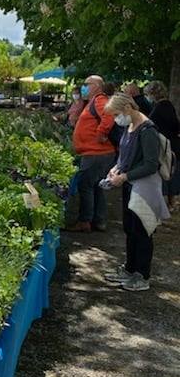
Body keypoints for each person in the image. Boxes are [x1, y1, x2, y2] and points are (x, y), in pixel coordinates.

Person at [103, 93, 170, 291]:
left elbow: (150, 165)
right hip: (131, 185)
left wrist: (123, 176)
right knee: (130, 229)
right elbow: (125, 154)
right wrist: (116, 168)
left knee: (142, 232)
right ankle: (130, 269)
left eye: (116, 114)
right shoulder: (129, 126)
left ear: (127, 108)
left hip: (144, 189)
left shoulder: (147, 129)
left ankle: (142, 276)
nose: (116, 119)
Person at [68, 75, 117, 232]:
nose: (83, 87)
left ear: (96, 86)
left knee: (85, 185)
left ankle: (85, 221)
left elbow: (108, 117)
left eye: (86, 84)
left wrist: (101, 133)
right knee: (96, 187)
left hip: (96, 153)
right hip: (97, 153)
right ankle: (98, 221)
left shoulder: (99, 100)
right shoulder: (93, 101)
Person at [144, 80, 180, 210]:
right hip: (172, 143)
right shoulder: (167, 105)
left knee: (165, 172)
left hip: (165, 145)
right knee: (171, 172)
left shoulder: (160, 107)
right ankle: (171, 202)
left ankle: (166, 203)